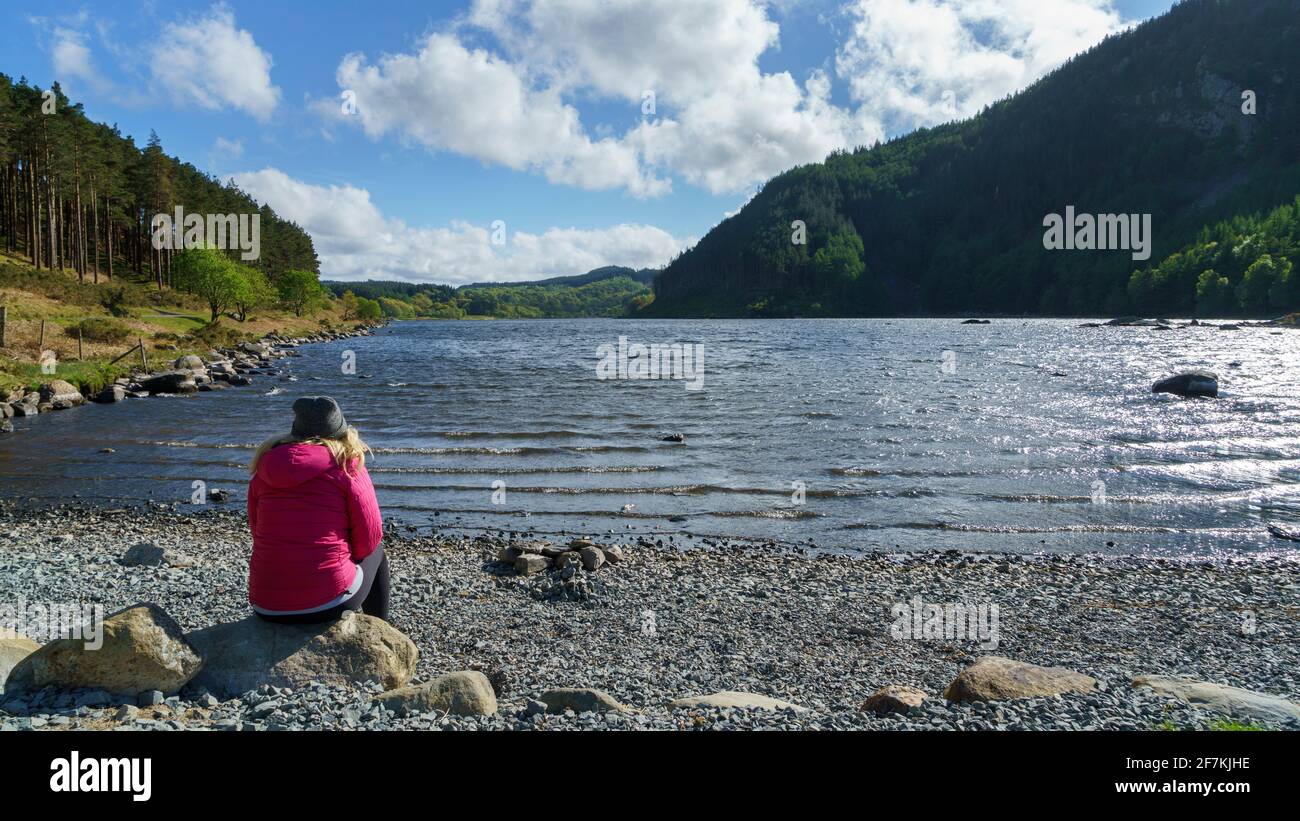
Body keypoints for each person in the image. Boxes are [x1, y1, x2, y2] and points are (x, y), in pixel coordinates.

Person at [246, 396, 387, 623]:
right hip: (327, 603)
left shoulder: (264, 465)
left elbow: (257, 530)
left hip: (266, 605)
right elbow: (368, 538)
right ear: (340, 432)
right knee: (377, 552)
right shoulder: (346, 464)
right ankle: (381, 632)